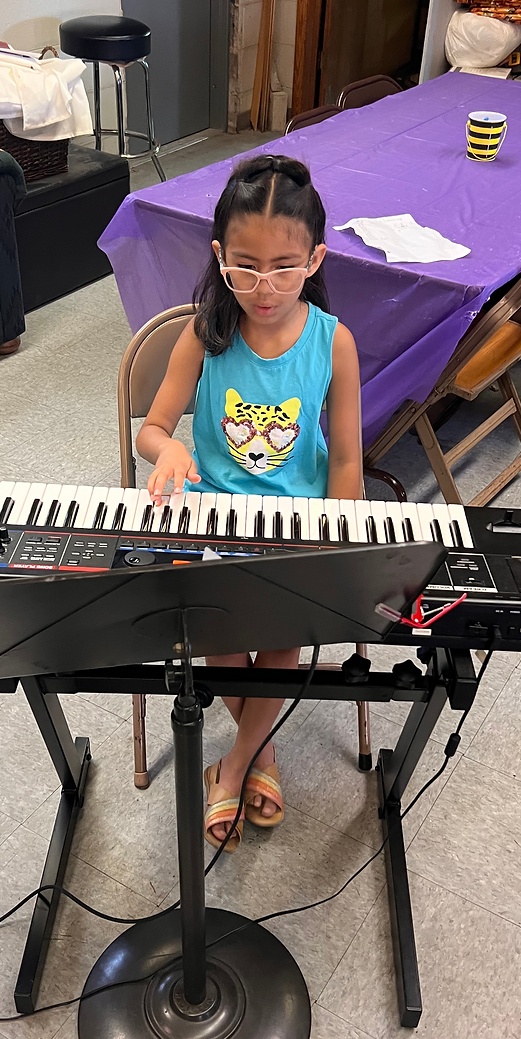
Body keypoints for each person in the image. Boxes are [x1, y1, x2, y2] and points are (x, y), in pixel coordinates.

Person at [136, 154, 362, 851]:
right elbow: (151, 427)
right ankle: (260, 754)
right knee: (218, 638)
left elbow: (349, 459)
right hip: (212, 520)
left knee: (283, 633)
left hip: (296, 528)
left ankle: (233, 762)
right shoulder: (205, 335)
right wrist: (166, 448)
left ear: (315, 259)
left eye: (285, 266)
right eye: (245, 265)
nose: (264, 287)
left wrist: (333, 535)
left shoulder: (335, 342)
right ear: (218, 255)